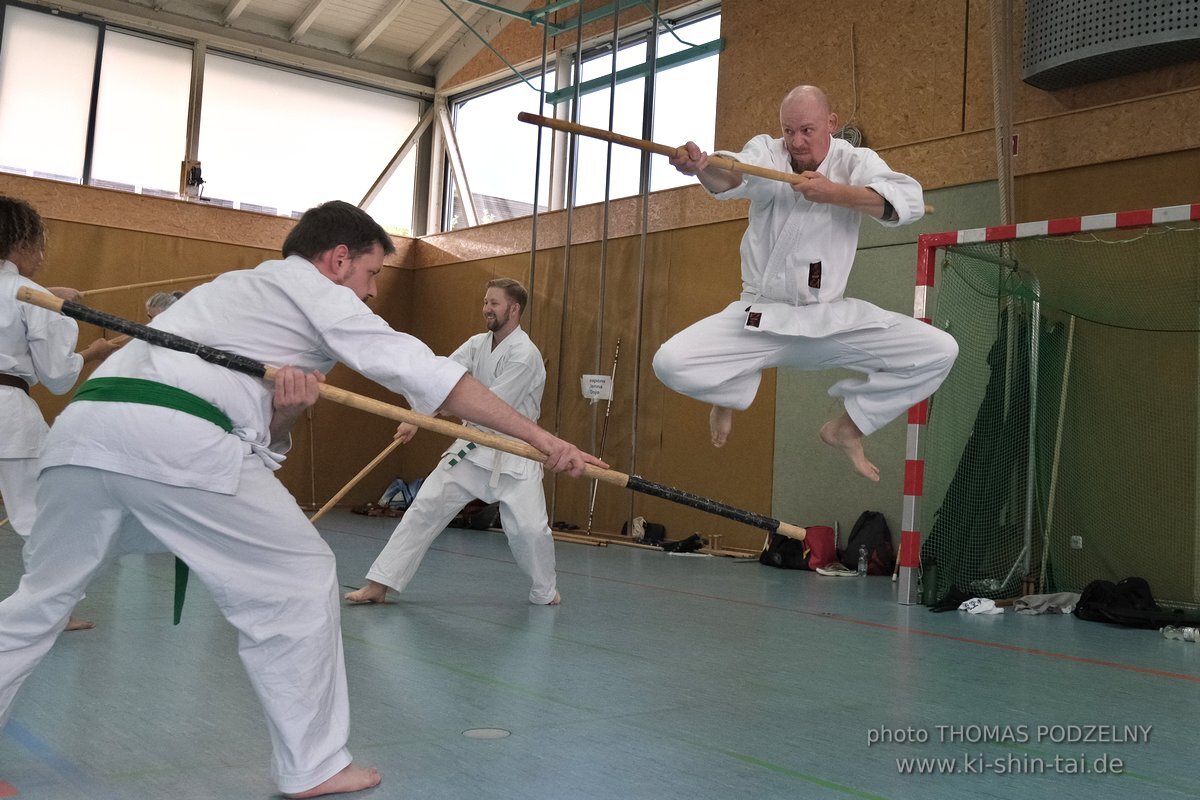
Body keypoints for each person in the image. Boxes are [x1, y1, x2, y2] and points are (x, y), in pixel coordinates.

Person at [0, 201, 603, 799]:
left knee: (41, 600)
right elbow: (428, 374)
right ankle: (312, 764)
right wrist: (542, 438)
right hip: (173, 437)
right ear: (338, 259)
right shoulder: (312, 291)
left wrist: (286, 410)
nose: (369, 294)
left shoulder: (232, 292)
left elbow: (258, 430)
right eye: (370, 274)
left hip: (80, 436)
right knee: (300, 577)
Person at [651, 85, 958, 481]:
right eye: (789, 131)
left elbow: (909, 201)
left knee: (938, 351)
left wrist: (835, 193)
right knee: (670, 363)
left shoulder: (854, 162)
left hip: (827, 321)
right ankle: (725, 391)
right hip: (758, 319)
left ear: (831, 124)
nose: (796, 141)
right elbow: (734, 174)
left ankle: (847, 428)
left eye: (807, 131)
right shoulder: (769, 154)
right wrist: (701, 166)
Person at [345, 277, 561, 607]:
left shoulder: (525, 355)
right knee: (424, 508)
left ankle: (545, 592)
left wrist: (432, 414)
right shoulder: (476, 344)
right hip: (472, 449)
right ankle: (380, 584)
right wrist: (416, 415)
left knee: (530, 531)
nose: (486, 308)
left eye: (494, 303)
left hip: (516, 453)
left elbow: (492, 407)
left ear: (514, 309)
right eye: (485, 302)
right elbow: (441, 376)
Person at [0, 196, 118, 630]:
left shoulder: (32, 295)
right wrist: (92, 352)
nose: (42, 257)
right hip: (7, 415)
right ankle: (52, 610)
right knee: (40, 515)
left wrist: (55, 299)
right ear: (20, 243)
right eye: (39, 245)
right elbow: (57, 376)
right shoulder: (31, 296)